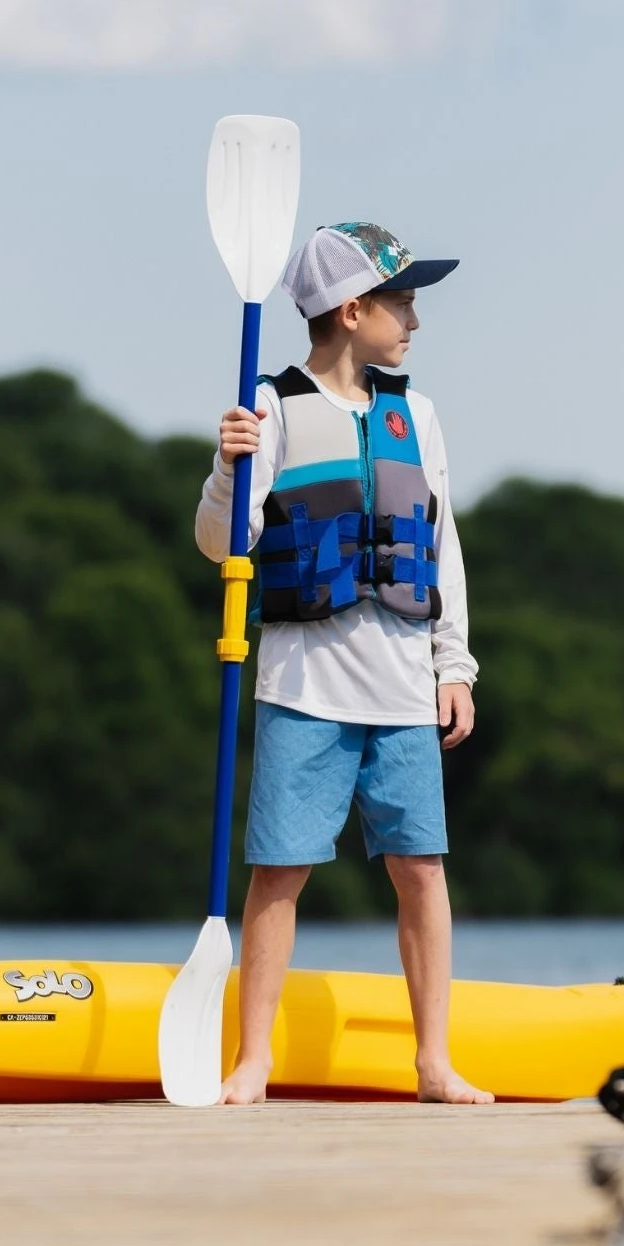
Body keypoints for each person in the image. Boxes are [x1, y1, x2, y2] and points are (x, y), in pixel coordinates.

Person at [194, 221, 491, 1106]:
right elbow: (222, 547)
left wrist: (455, 666)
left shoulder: (417, 415)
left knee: (422, 869)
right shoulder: (270, 408)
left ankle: (433, 1060)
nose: (413, 321)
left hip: (402, 686)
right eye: (402, 302)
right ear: (352, 310)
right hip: (304, 689)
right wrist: (225, 469)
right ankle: (253, 1060)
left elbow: (443, 550)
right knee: (280, 872)